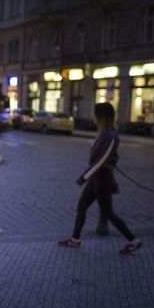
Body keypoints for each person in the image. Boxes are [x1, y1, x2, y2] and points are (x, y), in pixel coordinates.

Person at [58, 102, 141, 254]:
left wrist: (83, 178)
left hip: (102, 178)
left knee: (108, 212)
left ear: (101, 117)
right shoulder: (104, 134)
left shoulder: (110, 135)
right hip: (97, 177)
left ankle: (133, 241)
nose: (93, 117)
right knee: (82, 206)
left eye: (95, 114)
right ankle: (75, 239)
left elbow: (101, 160)